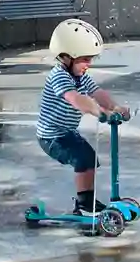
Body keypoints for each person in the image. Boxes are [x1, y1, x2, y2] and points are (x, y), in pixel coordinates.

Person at [37, 19, 129, 217]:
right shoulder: (59, 76)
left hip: (67, 132)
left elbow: (97, 92)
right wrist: (99, 112)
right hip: (51, 137)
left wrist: (115, 107)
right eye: (85, 59)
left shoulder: (80, 76)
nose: (89, 64)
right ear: (67, 57)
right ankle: (84, 204)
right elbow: (76, 99)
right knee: (82, 158)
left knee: (89, 159)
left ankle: (86, 200)